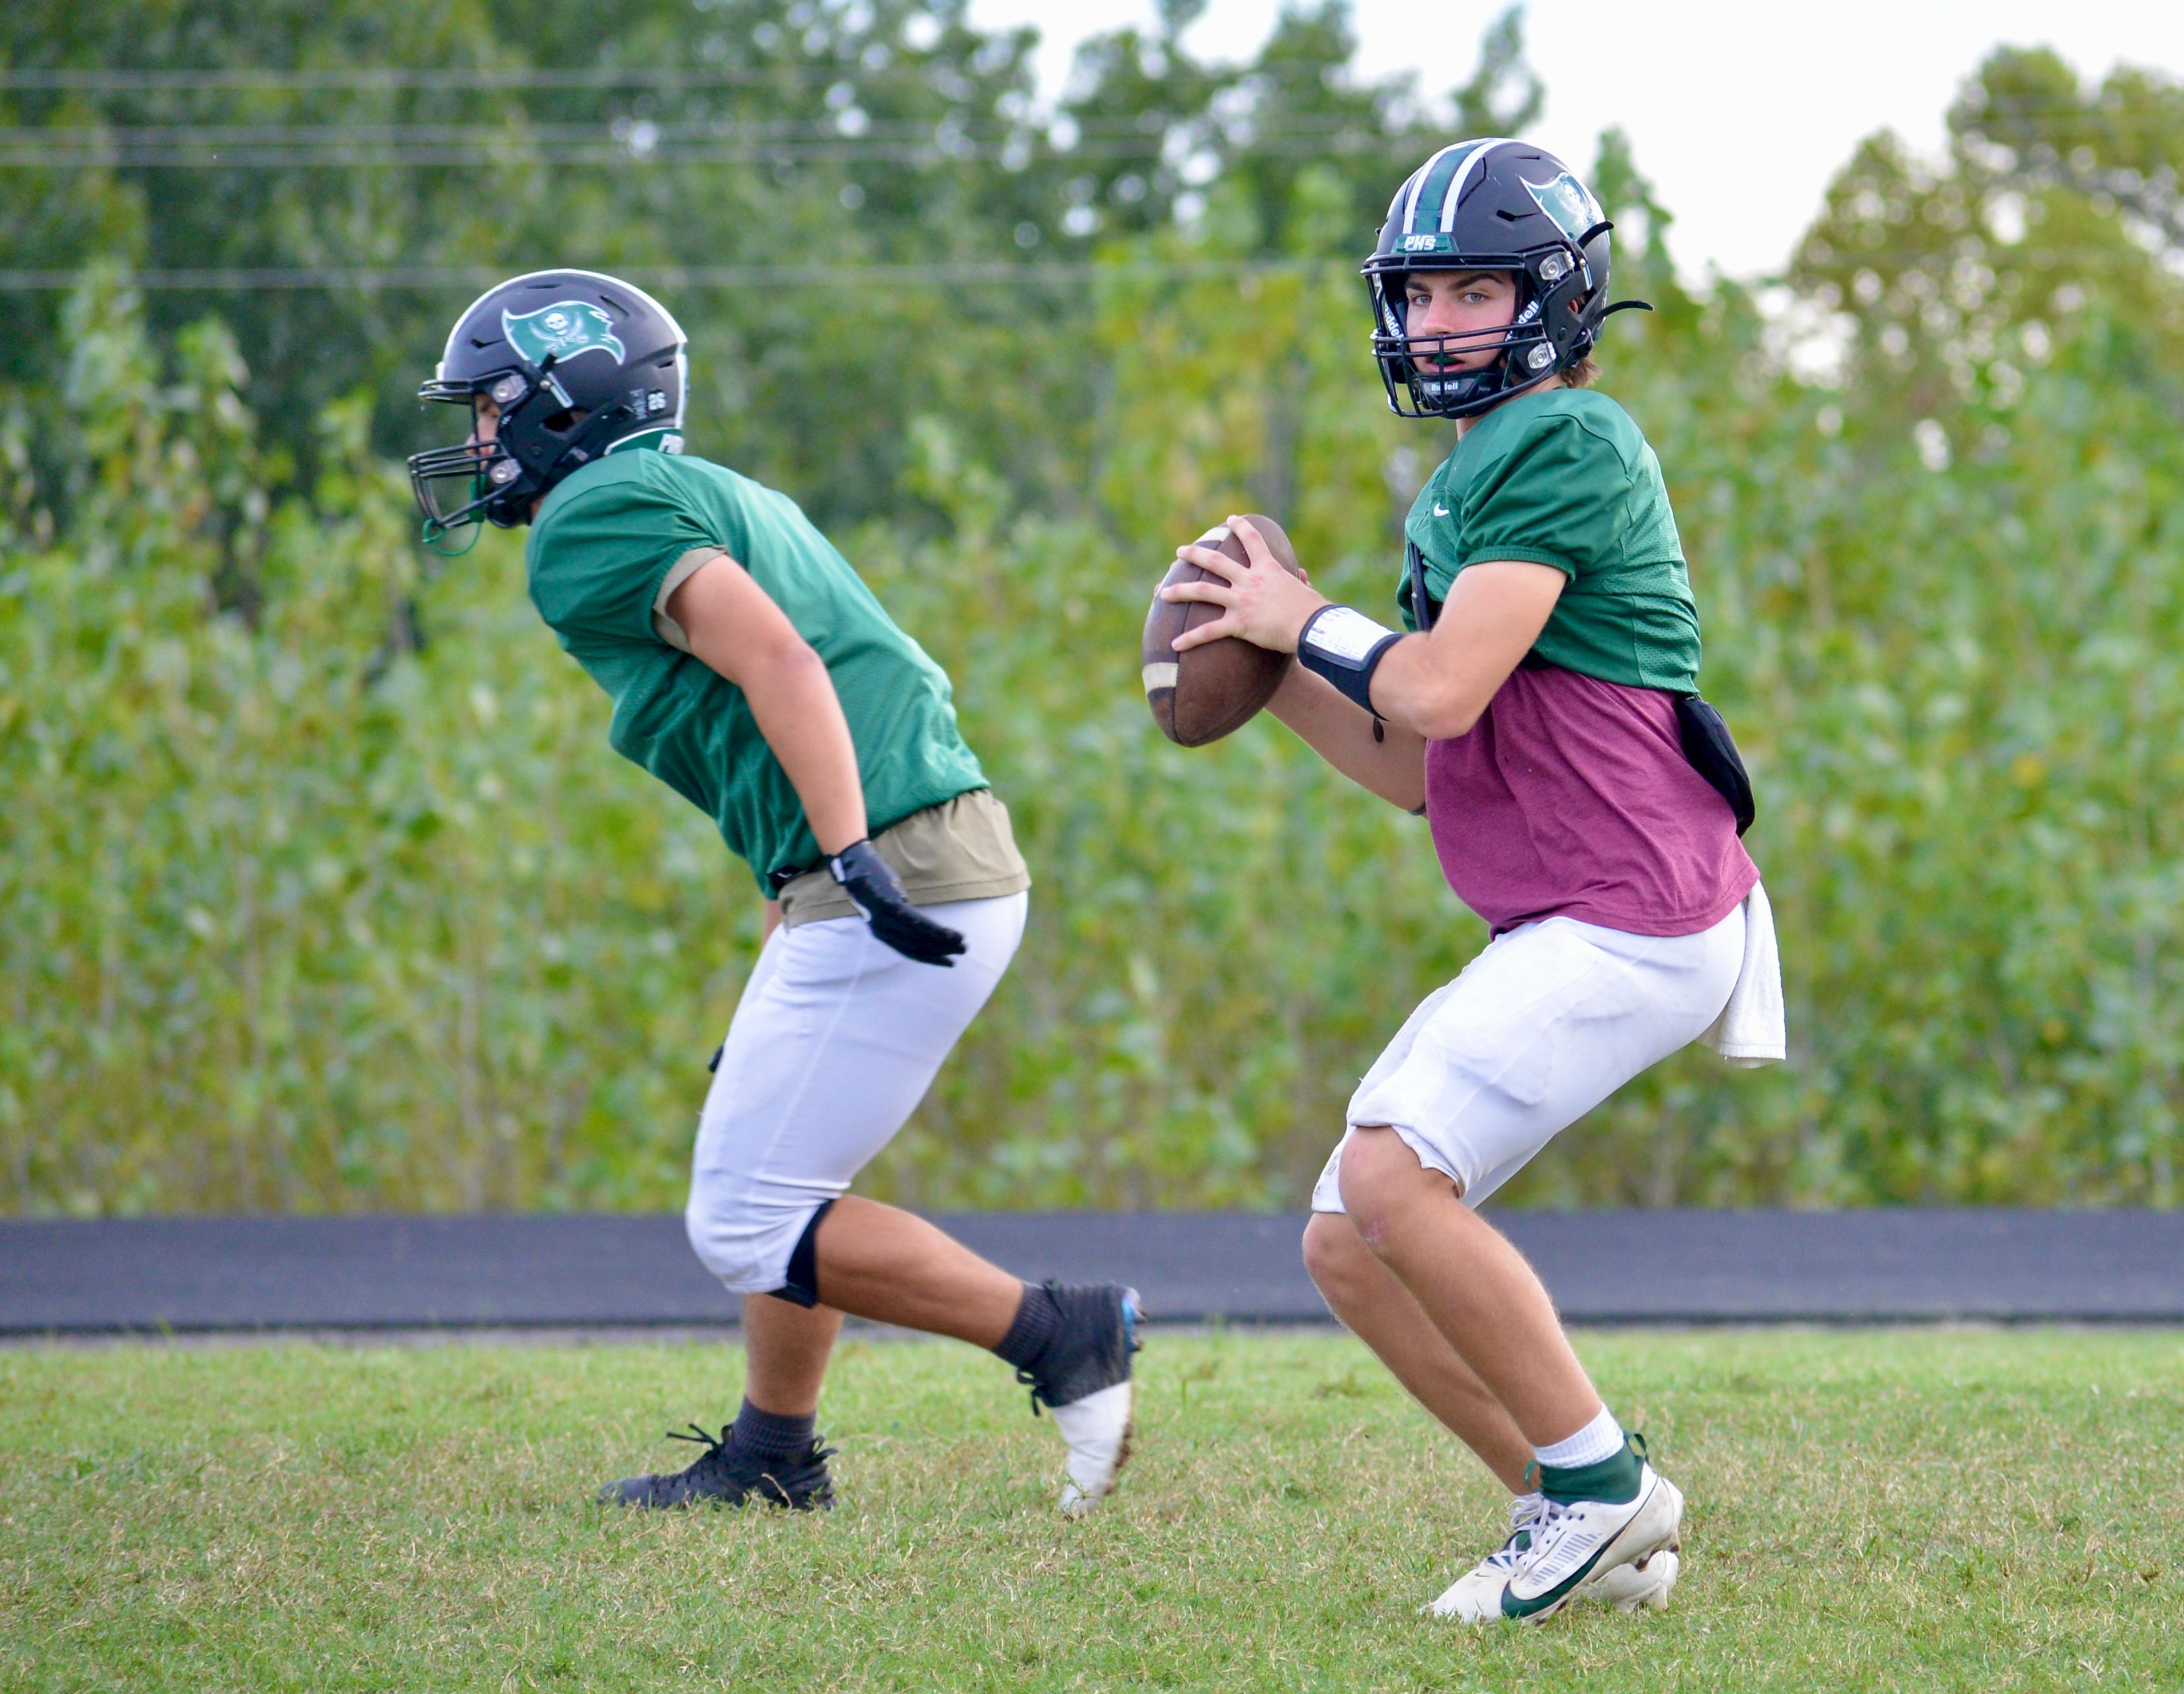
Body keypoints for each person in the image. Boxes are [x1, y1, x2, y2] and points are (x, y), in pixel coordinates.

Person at [1157, 139, 1781, 1621]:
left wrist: (1303, 611)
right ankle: (1579, 1513)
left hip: (1635, 906)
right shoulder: (1476, 472)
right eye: (1422, 293)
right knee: (1347, 1234)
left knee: (1390, 1170)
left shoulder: (1568, 442)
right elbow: (1416, 756)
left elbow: (1434, 687)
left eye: (1476, 288)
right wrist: (1267, 663)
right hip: (1585, 907)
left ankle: (1600, 1483)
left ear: (1556, 296)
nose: (1439, 323)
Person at [408, 270, 1139, 1515]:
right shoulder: (710, 489)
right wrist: (803, 889)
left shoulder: (593, 515)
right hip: (915, 854)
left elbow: (782, 660)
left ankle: (1063, 1335)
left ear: (559, 406)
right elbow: (846, 677)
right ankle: (773, 1456)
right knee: (786, 1180)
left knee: (745, 1215)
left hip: (892, 866)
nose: (475, 441)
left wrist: (849, 854)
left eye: (490, 410)